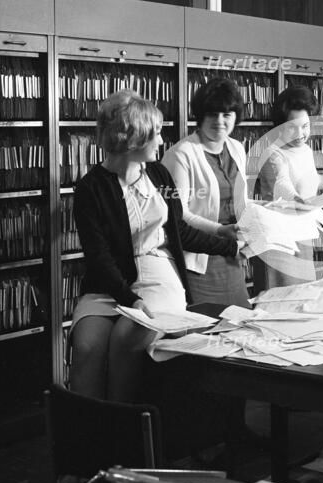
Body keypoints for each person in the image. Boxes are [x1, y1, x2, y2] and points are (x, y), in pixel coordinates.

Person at [70, 90, 238, 402]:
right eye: (156, 133)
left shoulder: (159, 174)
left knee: (126, 337)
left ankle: (122, 426)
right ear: (132, 137)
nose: (161, 142)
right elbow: (99, 256)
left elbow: (179, 231)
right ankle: (87, 436)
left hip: (158, 275)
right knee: (86, 345)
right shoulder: (90, 188)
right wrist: (129, 299)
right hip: (109, 285)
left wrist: (228, 244)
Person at [253, 85, 323, 291]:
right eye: (293, 127)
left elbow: (313, 181)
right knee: (279, 300)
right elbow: (283, 186)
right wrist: (301, 201)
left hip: (303, 232)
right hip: (278, 239)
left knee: (305, 297)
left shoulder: (305, 150)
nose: (301, 133)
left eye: (305, 126)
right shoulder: (272, 153)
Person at [162, 78, 250, 307]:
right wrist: (220, 230)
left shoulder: (237, 148)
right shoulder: (181, 154)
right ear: (200, 116)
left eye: (227, 114)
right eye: (212, 114)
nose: (220, 121)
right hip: (200, 259)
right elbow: (177, 214)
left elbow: (242, 201)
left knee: (239, 326)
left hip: (232, 253)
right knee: (207, 330)